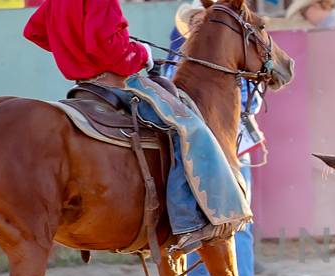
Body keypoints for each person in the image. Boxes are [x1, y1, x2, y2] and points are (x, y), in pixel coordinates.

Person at [24, 0, 252, 257]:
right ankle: (189, 222)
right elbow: (110, 49)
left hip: (84, 84)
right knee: (189, 127)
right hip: (118, 83)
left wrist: (74, 51)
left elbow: (34, 31)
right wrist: (140, 53)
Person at [168, 3, 263, 276]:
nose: (199, 25)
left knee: (236, 223)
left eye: (202, 20)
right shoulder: (178, 56)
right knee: (192, 218)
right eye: (193, 22)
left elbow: (255, 97)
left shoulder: (234, 52)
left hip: (230, 146)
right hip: (195, 147)